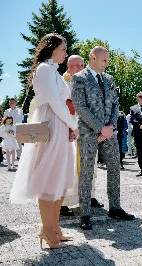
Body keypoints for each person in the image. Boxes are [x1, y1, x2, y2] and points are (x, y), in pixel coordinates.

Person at [10, 33, 79, 248]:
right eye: (63, 49)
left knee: (59, 177)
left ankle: (54, 227)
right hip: (52, 125)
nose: (65, 53)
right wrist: (74, 124)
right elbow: (55, 103)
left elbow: (64, 102)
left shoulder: (54, 71)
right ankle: (48, 231)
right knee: (50, 177)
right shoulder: (44, 69)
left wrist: (71, 124)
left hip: (61, 124)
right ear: (52, 49)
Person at [71, 46, 135, 230]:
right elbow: (80, 107)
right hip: (88, 133)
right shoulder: (79, 78)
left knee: (115, 168)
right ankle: (85, 213)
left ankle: (115, 207)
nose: (107, 64)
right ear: (93, 57)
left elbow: (116, 104)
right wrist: (101, 128)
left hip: (109, 133)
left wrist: (111, 127)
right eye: (104, 60)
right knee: (87, 172)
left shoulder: (109, 79)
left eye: (108, 60)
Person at [60, 54, 103, 217]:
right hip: (69, 128)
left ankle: (89, 196)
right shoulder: (63, 82)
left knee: (90, 163)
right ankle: (63, 202)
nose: (79, 68)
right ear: (68, 66)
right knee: (68, 165)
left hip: (87, 129)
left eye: (82, 65)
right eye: (76, 65)